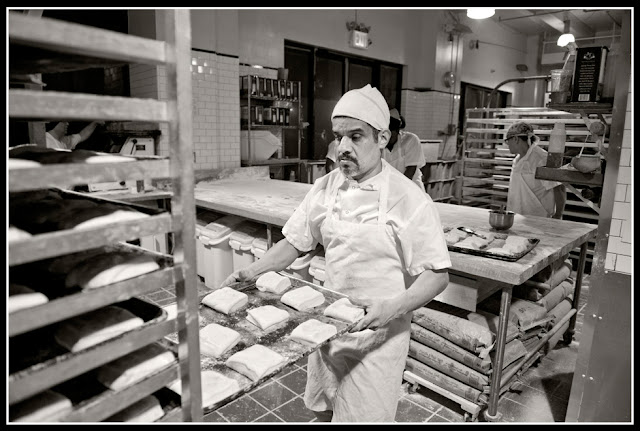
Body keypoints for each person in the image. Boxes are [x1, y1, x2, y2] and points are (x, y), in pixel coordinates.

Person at [221, 84, 451, 422]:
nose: (342, 147)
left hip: (379, 339)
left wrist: (391, 309)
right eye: (338, 136)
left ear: (382, 138)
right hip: (328, 328)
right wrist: (251, 272)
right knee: (324, 408)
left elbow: (437, 275)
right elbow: (294, 243)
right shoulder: (325, 187)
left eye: (356, 137)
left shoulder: (409, 199)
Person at [504, 122, 566, 219]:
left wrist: (558, 215)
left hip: (539, 220)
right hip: (517, 217)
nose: (507, 145)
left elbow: (559, 188)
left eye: (508, 141)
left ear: (515, 139)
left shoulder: (542, 158)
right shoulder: (517, 160)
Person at [381, 108, 426, 192]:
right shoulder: (377, 145)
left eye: (391, 133)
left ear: (397, 130)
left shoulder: (411, 140)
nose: (388, 138)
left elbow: (410, 171)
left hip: (412, 191)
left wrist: (395, 192)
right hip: (388, 191)